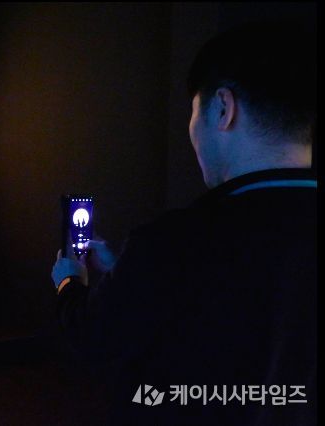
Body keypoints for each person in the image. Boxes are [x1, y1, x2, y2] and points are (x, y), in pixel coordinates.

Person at [51, 21, 315, 425]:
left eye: (194, 112)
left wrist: (70, 283)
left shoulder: (171, 243)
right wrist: (130, 274)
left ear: (223, 108)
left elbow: (95, 340)